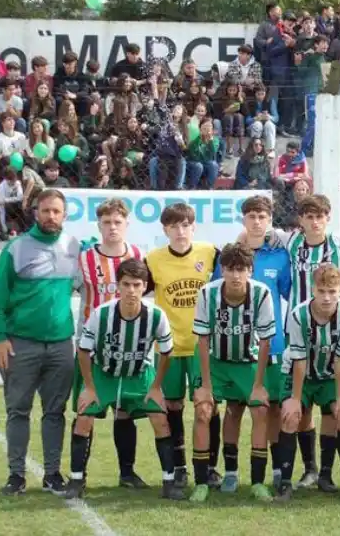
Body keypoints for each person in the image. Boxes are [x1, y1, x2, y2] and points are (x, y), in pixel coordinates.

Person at [63, 259, 184, 501]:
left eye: (136, 284)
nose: (131, 290)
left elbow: (167, 350)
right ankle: (76, 480)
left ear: (144, 286)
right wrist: (88, 387)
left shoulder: (156, 315)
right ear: (118, 285)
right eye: (126, 284)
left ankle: (169, 482)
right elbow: (84, 350)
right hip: (104, 374)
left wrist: (157, 386)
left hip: (139, 375)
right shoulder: (102, 314)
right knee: (84, 418)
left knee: (161, 418)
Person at [0, 189, 79, 496]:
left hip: (60, 345)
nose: (51, 216)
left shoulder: (75, 247)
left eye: (57, 211)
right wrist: (0, 338)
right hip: (20, 344)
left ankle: (52, 474)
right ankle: (16, 475)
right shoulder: (16, 247)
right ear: (36, 212)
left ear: (65, 215)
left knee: (56, 412)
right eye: (45, 211)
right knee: (18, 411)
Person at [213, 196, 291, 493]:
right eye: (251, 216)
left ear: (269, 219)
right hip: (233, 346)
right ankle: (231, 472)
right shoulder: (231, 256)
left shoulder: (281, 257)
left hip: (272, 346)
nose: (256, 221)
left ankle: (273, 470)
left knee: (269, 410)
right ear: (243, 219)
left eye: (262, 216)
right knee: (233, 409)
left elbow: (290, 296)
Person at [189, 243, 277, 502]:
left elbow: (265, 342)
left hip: (247, 362)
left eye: (241, 269)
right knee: (204, 411)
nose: (236, 275)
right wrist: (205, 385)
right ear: (222, 270)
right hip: (216, 362)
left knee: (260, 409)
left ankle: (258, 482)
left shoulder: (261, 293)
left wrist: (259, 384)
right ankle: (203, 482)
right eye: (230, 269)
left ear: (250, 270)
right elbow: (203, 340)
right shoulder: (207, 293)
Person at [272, 194, 340, 489]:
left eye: (320, 216)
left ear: (328, 218)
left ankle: (327, 473)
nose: (315, 222)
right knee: (301, 406)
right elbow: (252, 232)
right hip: (299, 330)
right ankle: (310, 468)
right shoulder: (291, 242)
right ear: (301, 220)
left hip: (332, 331)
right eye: (309, 216)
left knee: (330, 405)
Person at [144, 203, 221, 489]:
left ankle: (211, 467)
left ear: (194, 226)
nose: (180, 231)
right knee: (172, 407)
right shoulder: (153, 260)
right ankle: (178, 467)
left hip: (202, 348)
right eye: (174, 226)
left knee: (208, 406)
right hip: (169, 349)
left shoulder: (210, 254)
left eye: (185, 225)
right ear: (165, 230)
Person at [73, 199, 147, 489]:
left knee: (124, 410)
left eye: (118, 222)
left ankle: (126, 473)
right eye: (107, 222)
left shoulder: (139, 256)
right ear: (99, 225)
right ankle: (79, 477)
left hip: (129, 348)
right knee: (86, 410)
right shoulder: (84, 259)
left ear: (126, 225)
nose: (112, 227)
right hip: (92, 349)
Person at [275, 265, 340, 502]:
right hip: (297, 373)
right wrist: (294, 399)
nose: (326, 297)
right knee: (291, 416)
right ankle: (284, 484)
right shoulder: (298, 315)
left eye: (332, 291)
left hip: (332, 375)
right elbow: (299, 361)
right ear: (312, 288)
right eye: (321, 290)